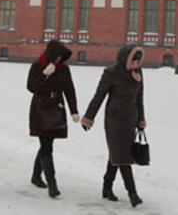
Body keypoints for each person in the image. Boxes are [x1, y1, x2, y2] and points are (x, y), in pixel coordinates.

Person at [81, 43, 147, 208]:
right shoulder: (111, 73)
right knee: (123, 156)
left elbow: (140, 99)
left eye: (138, 62)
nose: (135, 65)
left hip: (130, 120)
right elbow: (99, 96)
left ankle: (106, 186)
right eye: (133, 61)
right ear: (125, 58)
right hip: (114, 121)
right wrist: (89, 117)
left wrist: (141, 120)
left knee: (117, 154)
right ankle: (133, 193)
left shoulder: (138, 74)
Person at [27, 40, 79, 198]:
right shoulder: (37, 66)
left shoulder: (64, 69)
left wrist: (74, 111)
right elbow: (32, 87)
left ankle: (36, 176)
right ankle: (52, 184)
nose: (58, 60)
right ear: (50, 55)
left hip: (56, 110)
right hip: (40, 110)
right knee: (46, 145)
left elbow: (69, 89)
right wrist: (44, 75)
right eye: (56, 57)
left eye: (61, 58)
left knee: (47, 144)